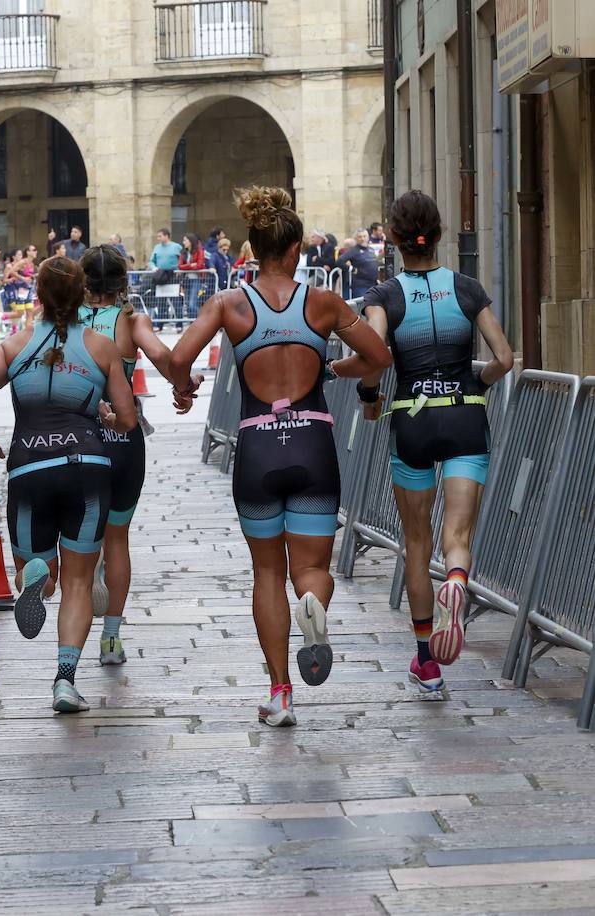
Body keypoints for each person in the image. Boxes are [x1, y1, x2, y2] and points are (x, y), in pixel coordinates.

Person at [169, 186, 391, 727]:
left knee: (266, 573)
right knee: (310, 567)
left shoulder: (229, 303)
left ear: (252, 248)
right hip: (313, 442)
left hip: (258, 446)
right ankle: (313, 605)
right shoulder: (322, 303)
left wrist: (185, 390)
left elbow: (178, 358)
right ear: (295, 251)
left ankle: (280, 692)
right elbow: (380, 355)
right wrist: (340, 370)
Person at [341, 191, 514, 692]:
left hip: (411, 422)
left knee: (415, 544)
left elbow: (374, 356)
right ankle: (456, 585)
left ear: (393, 239)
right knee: (456, 539)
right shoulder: (467, 289)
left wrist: (369, 398)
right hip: (465, 420)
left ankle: (426, 663)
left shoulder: (385, 296)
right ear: (438, 236)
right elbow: (503, 357)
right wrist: (474, 388)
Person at [0, 257, 137, 713]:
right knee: (80, 583)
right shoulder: (101, 347)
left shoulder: (14, 345)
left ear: (36, 296)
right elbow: (129, 418)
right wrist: (101, 414)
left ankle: (34, 578)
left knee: (39, 575)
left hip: (29, 468)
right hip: (87, 467)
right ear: (83, 296)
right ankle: (64, 680)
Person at [78, 244, 199, 666]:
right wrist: (184, 385)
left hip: (77, 439)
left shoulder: (64, 322)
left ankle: (72, 632)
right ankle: (111, 637)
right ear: (122, 282)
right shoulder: (132, 321)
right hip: (123, 440)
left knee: (78, 539)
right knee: (118, 538)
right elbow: (166, 360)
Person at [335, 228, 380, 299]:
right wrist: (352, 269)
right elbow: (339, 261)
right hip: (360, 286)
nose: (363, 239)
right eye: (360, 237)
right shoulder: (353, 250)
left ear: (368, 237)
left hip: (373, 284)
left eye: (364, 236)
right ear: (356, 239)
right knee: (362, 307)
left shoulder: (371, 249)